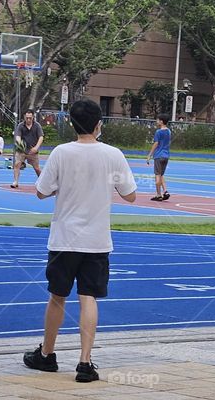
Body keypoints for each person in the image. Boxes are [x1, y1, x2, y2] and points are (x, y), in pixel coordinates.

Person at [22, 98, 137, 383]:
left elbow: (41, 192)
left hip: (64, 239)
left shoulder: (61, 153)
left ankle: (47, 354)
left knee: (57, 297)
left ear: (71, 124)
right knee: (89, 298)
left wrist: (46, 174)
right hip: (96, 240)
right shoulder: (113, 155)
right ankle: (85, 362)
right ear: (99, 124)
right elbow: (131, 195)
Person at [13, 110, 44, 189]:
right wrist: (20, 143)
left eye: (30, 118)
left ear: (33, 117)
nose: (28, 119)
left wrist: (36, 147)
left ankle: (43, 182)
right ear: (24, 117)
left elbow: (41, 137)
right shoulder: (20, 125)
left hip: (32, 150)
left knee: (37, 168)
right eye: (27, 118)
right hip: (21, 150)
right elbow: (18, 136)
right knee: (17, 164)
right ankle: (15, 182)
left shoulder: (37, 126)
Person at [146, 114, 172, 201]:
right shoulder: (169, 131)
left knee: (157, 175)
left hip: (158, 155)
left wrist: (150, 154)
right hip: (166, 155)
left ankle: (158, 194)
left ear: (161, 121)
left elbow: (156, 143)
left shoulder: (158, 132)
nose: (156, 121)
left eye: (158, 120)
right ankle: (165, 191)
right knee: (161, 175)